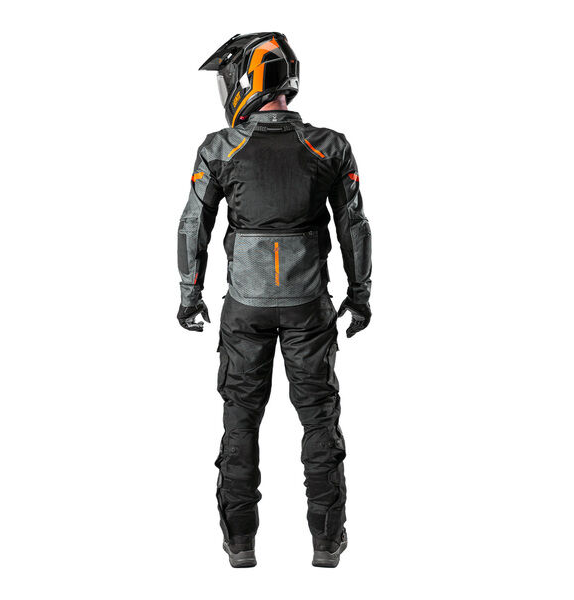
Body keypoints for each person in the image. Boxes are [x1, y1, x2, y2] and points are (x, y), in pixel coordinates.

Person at [177, 32, 372, 568]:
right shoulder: (330, 146)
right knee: (319, 420)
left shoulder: (219, 147)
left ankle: (240, 544)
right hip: (310, 306)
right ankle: (326, 544)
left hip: (246, 306)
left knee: (240, 421)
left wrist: (190, 295)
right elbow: (354, 225)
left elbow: (193, 224)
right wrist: (359, 294)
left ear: (247, 80)